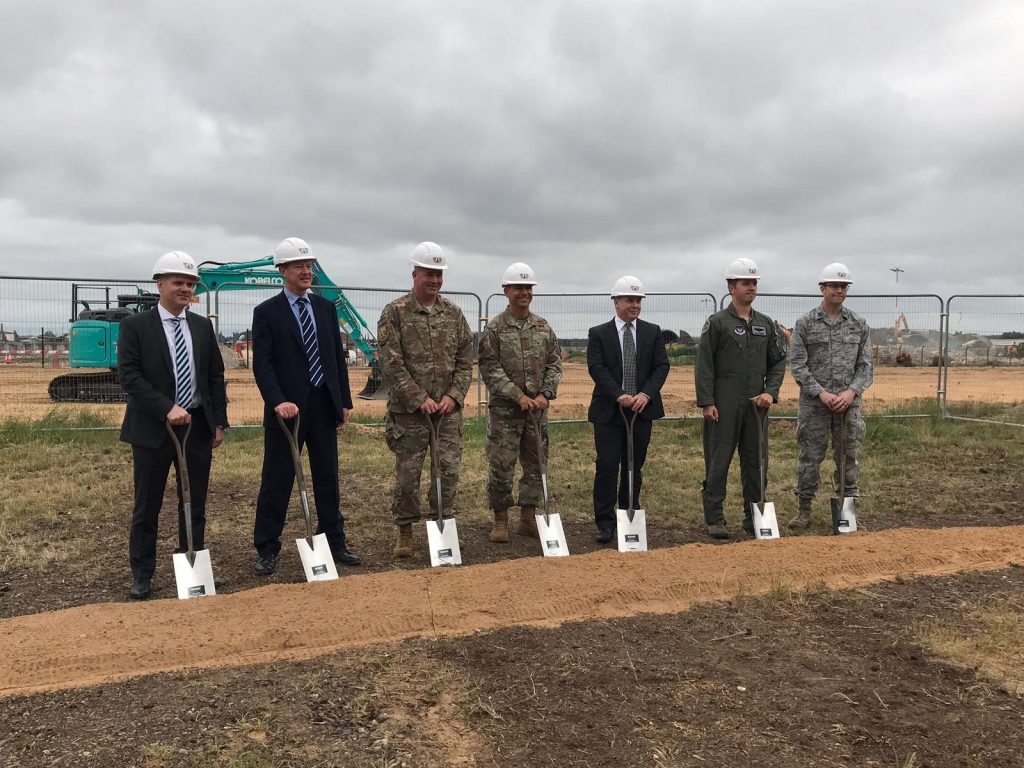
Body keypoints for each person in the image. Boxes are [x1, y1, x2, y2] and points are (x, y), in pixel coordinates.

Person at [118, 251, 228, 599]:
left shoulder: (201, 326)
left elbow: (214, 376)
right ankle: (143, 573)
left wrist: (218, 422)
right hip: (153, 429)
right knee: (147, 503)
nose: (185, 288)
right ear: (160, 284)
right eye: (178, 282)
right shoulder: (135, 327)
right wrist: (167, 407)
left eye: (190, 283)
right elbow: (130, 377)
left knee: (193, 501)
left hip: (196, 427)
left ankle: (193, 564)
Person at [251, 237, 360, 575]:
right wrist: (277, 400)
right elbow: (263, 364)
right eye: (298, 265)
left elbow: (335, 359)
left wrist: (342, 400)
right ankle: (267, 547)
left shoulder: (325, 309)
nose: (306, 271)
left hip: (323, 405)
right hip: (288, 412)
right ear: (282, 270)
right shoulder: (267, 312)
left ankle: (333, 539)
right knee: (278, 478)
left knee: (328, 475)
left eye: (309, 265)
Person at [377, 242, 474, 558]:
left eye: (439, 275)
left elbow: (464, 359)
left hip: (447, 414)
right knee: (408, 476)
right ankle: (405, 532)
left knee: (447, 473)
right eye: (429, 274)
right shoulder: (395, 313)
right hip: (409, 415)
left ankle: (442, 529)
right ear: (415, 273)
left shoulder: (454, 314)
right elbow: (391, 362)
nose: (434, 280)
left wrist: (453, 396)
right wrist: (419, 398)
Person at [695, 258, 787, 539]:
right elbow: (704, 365)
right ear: (731, 287)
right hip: (723, 403)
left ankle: (754, 514)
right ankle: (715, 517)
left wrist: (770, 392)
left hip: (756, 405)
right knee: (719, 459)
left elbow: (778, 361)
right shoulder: (717, 323)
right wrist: (707, 401)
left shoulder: (766, 324)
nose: (752, 288)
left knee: (756, 460)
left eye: (755, 283)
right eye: (746, 283)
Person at [478, 262, 562, 542]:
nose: (524, 293)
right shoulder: (495, 329)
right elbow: (490, 368)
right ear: (506, 291)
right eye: (518, 288)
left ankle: (527, 518)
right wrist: (518, 396)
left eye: (528, 288)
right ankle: (500, 519)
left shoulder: (543, 327)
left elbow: (555, 363)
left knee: (536, 465)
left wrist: (544, 394)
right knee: (501, 466)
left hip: (536, 413)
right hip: (505, 413)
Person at [787, 263, 873, 529]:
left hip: (848, 407)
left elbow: (866, 366)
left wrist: (850, 392)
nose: (839, 291)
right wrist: (822, 394)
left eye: (843, 287)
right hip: (815, 405)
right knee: (809, 457)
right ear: (822, 288)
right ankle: (804, 510)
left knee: (848, 457)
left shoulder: (858, 324)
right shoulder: (805, 324)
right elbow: (798, 365)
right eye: (834, 286)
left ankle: (848, 511)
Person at [586, 275, 670, 544]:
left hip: (642, 410)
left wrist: (646, 394)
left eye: (638, 300)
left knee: (634, 465)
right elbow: (596, 368)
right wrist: (619, 395)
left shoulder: (652, 331)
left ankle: (628, 513)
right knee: (608, 466)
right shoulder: (599, 333)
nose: (635, 305)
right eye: (629, 300)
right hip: (610, 412)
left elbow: (661, 367)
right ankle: (606, 522)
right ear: (616, 302)